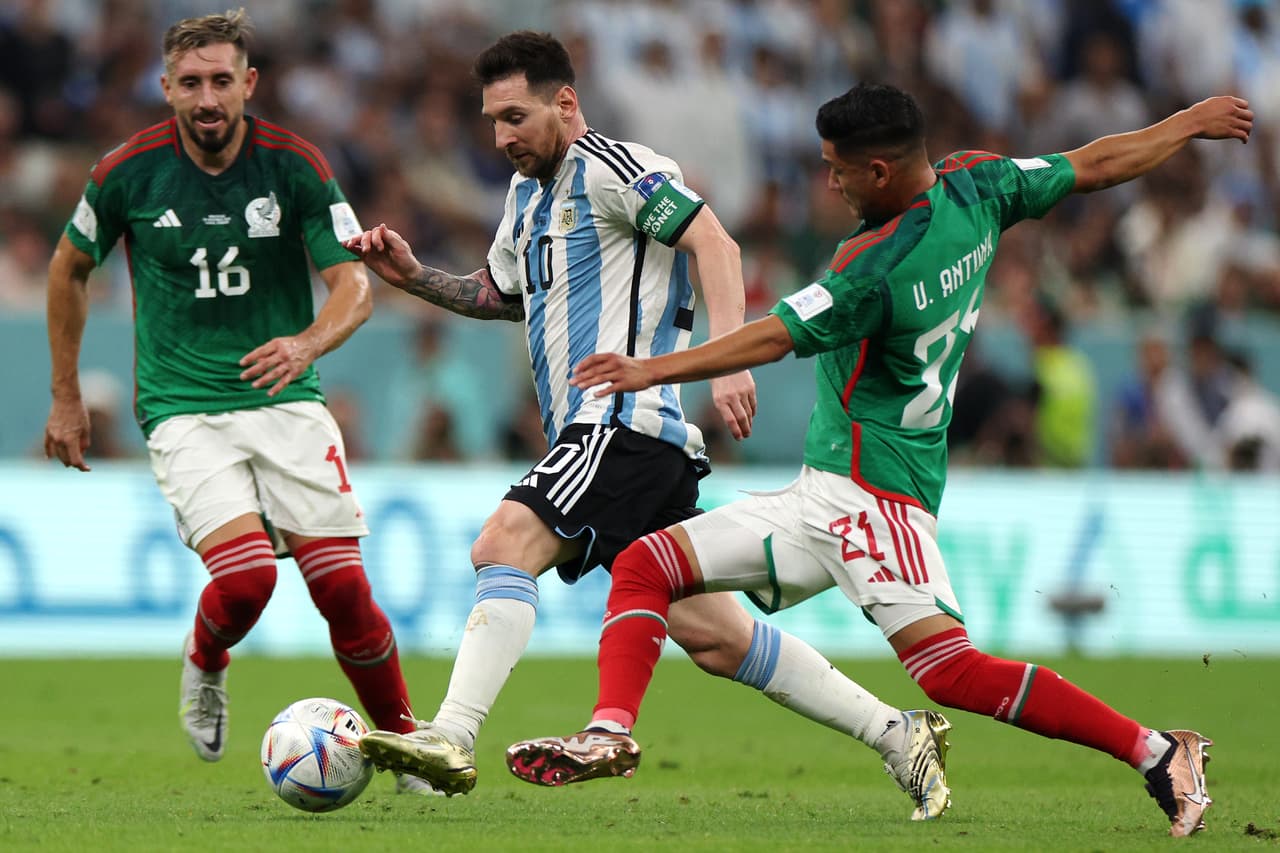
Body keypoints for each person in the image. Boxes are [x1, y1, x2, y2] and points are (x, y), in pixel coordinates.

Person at [506, 83, 1252, 838]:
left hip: (875, 497)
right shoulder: (980, 185)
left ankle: (1159, 749)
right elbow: (1095, 163)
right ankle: (609, 730)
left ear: (881, 173)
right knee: (644, 564)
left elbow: (773, 337)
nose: (829, 183)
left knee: (950, 672)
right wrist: (1188, 124)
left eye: (838, 170)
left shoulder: (872, 267)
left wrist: (652, 369)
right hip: (821, 491)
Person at [344, 32, 952, 818]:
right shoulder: (526, 198)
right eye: (492, 120)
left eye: (516, 116)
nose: (502, 138)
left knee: (504, 542)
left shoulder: (618, 167)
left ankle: (452, 736)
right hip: (612, 437)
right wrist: (413, 277)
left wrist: (730, 360)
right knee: (713, 635)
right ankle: (898, 732)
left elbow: (715, 242)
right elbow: (502, 296)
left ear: (566, 102)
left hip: (622, 421)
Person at [42, 9, 432, 796]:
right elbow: (66, 269)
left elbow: (355, 283)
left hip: (286, 396)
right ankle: (206, 660)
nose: (207, 97)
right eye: (190, 83)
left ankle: (404, 743)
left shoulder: (293, 165)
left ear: (249, 83)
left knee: (341, 588)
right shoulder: (126, 171)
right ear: (166, 88)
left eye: (222, 80)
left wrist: (307, 344)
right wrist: (66, 397)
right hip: (183, 405)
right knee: (249, 578)